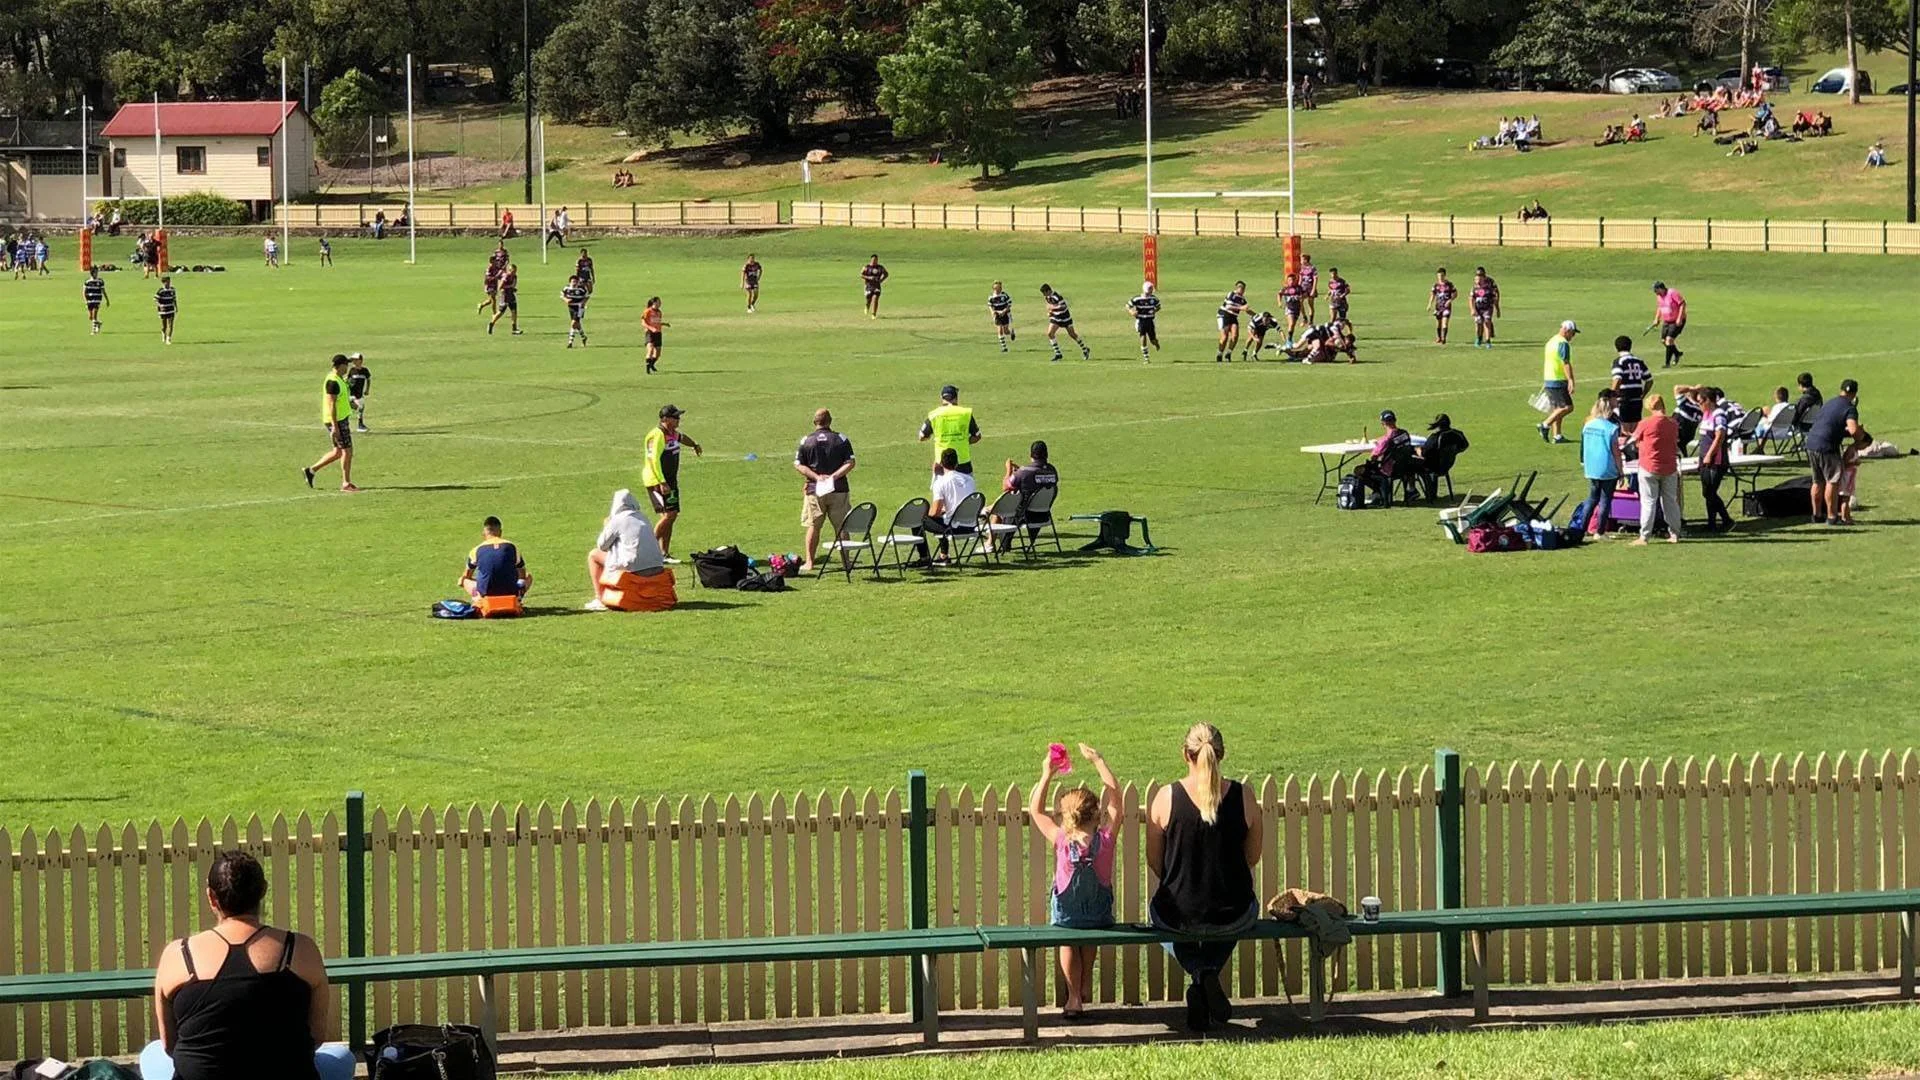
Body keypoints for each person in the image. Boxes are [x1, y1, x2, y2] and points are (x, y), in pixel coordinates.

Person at [141, 850, 354, 1080]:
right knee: (343, 1056)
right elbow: (315, 1037)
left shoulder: (178, 955)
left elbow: (169, 1045)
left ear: (212, 898)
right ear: (262, 891)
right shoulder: (300, 949)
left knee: (151, 1053)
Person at [1147, 722, 1262, 1033]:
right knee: (1250, 909)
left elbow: (1154, 861)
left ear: (1185, 753)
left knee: (1155, 913)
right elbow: (1252, 858)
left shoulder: (1165, 798)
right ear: (1222, 754)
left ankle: (1200, 973)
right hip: (1232, 912)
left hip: (1178, 914)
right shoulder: (1245, 797)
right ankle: (1207, 973)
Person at [1026, 742, 1121, 1018]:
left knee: (1068, 941)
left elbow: (1036, 811)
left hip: (1066, 917)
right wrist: (1098, 760)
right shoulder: (1105, 840)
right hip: (1099, 917)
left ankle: (1074, 996)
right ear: (1096, 815)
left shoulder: (1061, 840)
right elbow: (1118, 802)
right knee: (1088, 936)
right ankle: (1084, 983)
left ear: (1066, 818)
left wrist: (1047, 773)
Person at [585, 489, 669, 610]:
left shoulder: (617, 520)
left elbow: (602, 545)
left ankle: (600, 598)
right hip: (657, 566)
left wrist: (606, 526)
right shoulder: (643, 517)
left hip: (634, 568)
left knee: (593, 555)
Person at [794, 408, 855, 573]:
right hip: (839, 489)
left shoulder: (807, 440)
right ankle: (846, 562)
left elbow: (799, 464)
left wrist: (816, 476)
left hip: (815, 490)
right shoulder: (840, 439)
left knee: (813, 526)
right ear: (830, 421)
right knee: (842, 526)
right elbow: (850, 462)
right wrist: (833, 477)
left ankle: (810, 562)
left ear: (815, 422)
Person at [642, 404, 701, 560]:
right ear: (665, 419)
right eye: (675, 417)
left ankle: (664, 553)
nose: (678, 420)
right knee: (669, 515)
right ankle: (648, 550)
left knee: (670, 516)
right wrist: (661, 482)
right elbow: (653, 460)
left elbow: (682, 438)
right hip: (657, 481)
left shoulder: (672, 433)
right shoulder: (658, 435)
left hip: (669, 480)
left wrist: (694, 444)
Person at [1806, 379, 1865, 525]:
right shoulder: (1850, 407)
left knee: (1817, 481)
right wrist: (1860, 436)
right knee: (1832, 481)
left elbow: (1828, 423)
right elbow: (1853, 430)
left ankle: (1816, 514)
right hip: (1827, 446)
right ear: (1854, 393)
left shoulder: (1830, 402)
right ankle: (1832, 517)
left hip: (1812, 442)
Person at [1631, 395, 1683, 545]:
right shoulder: (1673, 423)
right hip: (1669, 466)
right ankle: (1675, 533)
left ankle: (1644, 536)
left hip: (1649, 466)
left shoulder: (1645, 423)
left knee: (1648, 502)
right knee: (1670, 501)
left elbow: (1633, 442)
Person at [303, 355, 357, 492]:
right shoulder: (333, 381)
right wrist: (335, 426)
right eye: (346, 365)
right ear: (340, 366)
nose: (348, 368)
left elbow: (340, 398)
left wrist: (350, 404)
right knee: (347, 451)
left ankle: (311, 471)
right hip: (337, 421)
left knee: (338, 452)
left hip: (340, 419)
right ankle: (346, 483)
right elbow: (331, 404)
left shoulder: (338, 379)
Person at [1574, 391, 1625, 535]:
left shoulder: (1588, 425)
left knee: (1591, 498)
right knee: (1605, 500)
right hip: (1607, 467)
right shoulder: (1611, 428)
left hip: (1592, 467)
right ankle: (1600, 532)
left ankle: (1580, 529)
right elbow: (1616, 452)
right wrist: (1621, 472)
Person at [917, 448, 978, 564]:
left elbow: (935, 512)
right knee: (943, 518)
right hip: (971, 524)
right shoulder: (970, 480)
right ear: (957, 463)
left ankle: (924, 557)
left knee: (919, 520)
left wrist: (925, 512)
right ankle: (943, 555)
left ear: (941, 464)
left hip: (955, 527)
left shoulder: (940, 483)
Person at [999, 440, 1059, 547]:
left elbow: (1006, 487)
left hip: (1025, 515)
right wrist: (1020, 471)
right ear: (1047, 454)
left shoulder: (1024, 472)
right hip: (1044, 514)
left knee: (1000, 508)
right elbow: (1038, 479)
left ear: (1031, 455)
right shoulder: (1052, 470)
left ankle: (998, 544)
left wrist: (1009, 470)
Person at [1692, 387, 1735, 532]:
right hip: (1704, 459)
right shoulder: (1706, 414)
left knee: (1710, 492)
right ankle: (1715, 522)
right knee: (1707, 492)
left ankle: (1722, 521)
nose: (1698, 405)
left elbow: (1720, 436)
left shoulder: (1719, 415)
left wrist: (1710, 454)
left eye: (1700, 402)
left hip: (1716, 460)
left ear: (1708, 401)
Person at [460, 516, 530, 602]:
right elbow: (522, 574)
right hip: (510, 591)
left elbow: (467, 575)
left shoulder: (476, 549)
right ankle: (517, 597)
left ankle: (479, 599)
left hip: (486, 593)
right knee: (528, 576)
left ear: (484, 533)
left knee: (464, 580)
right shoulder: (511, 546)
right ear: (500, 532)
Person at [1354, 409, 1414, 503]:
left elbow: (1373, 457)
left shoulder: (1386, 440)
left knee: (1359, 470)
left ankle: (1379, 492)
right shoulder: (1404, 433)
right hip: (1405, 467)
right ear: (1395, 420)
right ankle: (1379, 493)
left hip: (1389, 470)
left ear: (1383, 423)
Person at [919, 385, 980, 474]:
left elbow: (922, 436)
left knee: (940, 487)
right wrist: (963, 442)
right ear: (956, 397)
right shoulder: (965, 413)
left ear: (942, 398)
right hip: (962, 461)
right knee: (966, 487)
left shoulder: (934, 415)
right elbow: (977, 436)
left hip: (941, 462)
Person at [1538, 320, 1578, 444]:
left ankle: (1557, 435)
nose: (1573, 336)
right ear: (1567, 330)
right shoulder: (1563, 343)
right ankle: (1545, 425)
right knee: (1567, 407)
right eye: (1572, 333)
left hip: (1549, 377)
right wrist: (1571, 379)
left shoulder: (1552, 341)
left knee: (1557, 408)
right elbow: (1565, 362)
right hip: (1558, 379)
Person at [1416, 414, 1470, 498]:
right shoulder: (1457, 434)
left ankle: (1423, 492)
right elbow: (1465, 445)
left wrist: (1418, 450)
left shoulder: (1435, 438)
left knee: (1415, 465)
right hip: (1448, 464)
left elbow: (1424, 454)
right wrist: (1454, 452)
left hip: (1434, 466)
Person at [1038, 284, 1090, 362]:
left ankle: (1085, 349)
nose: (1044, 295)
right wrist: (1050, 312)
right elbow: (1049, 305)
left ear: (1048, 291)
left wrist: (1052, 308)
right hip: (1056, 317)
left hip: (1065, 317)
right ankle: (1058, 354)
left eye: (1044, 293)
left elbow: (1063, 307)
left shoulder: (1057, 297)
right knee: (1050, 333)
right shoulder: (1047, 297)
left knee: (1072, 334)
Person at [1608, 336, 1650, 432]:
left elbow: (1617, 379)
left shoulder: (1619, 361)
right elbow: (1649, 380)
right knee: (1635, 428)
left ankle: (1627, 446)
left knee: (1624, 429)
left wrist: (1612, 395)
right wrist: (1643, 394)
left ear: (1616, 347)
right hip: (1637, 399)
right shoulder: (1638, 361)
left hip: (1624, 399)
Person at [1651, 282, 1686, 367]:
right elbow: (1660, 307)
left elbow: (1682, 304)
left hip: (1676, 321)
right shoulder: (1659, 297)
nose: (1655, 292)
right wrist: (1657, 319)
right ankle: (1677, 353)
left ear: (1661, 288)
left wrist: (1679, 318)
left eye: (1656, 290)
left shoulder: (1672, 293)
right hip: (1667, 321)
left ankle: (1667, 363)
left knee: (1669, 340)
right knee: (1664, 341)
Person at [1215, 280, 1248, 362]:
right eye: (1240, 288)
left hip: (1233, 317)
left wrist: (1255, 315)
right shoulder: (1231, 294)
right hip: (1224, 315)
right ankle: (1219, 354)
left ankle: (1228, 354)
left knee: (1235, 335)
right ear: (1237, 288)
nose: (1242, 290)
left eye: (1243, 288)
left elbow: (1246, 309)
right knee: (1224, 336)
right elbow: (1228, 306)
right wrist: (1241, 308)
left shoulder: (1242, 299)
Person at [1127, 281, 1160, 362]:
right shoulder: (1137, 299)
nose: (1151, 290)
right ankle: (1146, 357)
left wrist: (1154, 310)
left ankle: (1156, 343)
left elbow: (1158, 306)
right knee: (1142, 335)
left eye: (1152, 288)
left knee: (1152, 340)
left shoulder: (1154, 299)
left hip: (1150, 321)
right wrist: (1132, 312)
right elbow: (1128, 306)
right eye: (1150, 288)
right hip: (1141, 320)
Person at [1468, 266, 1500, 348]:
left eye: (1480, 276)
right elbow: (1471, 299)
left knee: (1487, 322)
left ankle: (1488, 341)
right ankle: (1479, 338)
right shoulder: (1474, 288)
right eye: (1477, 276)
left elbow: (1495, 295)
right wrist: (1472, 309)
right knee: (1478, 323)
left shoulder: (1489, 285)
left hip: (1487, 307)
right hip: (1478, 308)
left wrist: (1497, 308)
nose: (1478, 279)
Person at [488, 264, 521, 336]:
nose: (514, 272)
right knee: (501, 312)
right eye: (513, 271)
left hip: (511, 295)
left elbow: (513, 285)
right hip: (505, 296)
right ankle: (491, 323)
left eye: (515, 271)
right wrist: (509, 287)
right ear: (509, 270)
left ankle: (514, 329)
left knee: (514, 311)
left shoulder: (515, 277)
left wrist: (513, 289)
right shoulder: (506, 276)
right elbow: (500, 287)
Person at [1428, 268, 1456, 345]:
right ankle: (1439, 337)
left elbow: (1455, 294)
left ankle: (1444, 338)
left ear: (1445, 275)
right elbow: (1432, 295)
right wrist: (1430, 304)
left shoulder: (1450, 285)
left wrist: (1450, 300)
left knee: (1445, 322)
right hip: (1438, 307)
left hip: (1446, 307)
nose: (1440, 277)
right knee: (1438, 323)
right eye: (1439, 276)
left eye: (1442, 275)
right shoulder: (1436, 285)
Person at [1276, 272, 1307, 343]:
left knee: (1292, 326)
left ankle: (1290, 338)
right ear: (1287, 281)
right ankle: (1289, 340)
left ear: (1295, 280)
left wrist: (1302, 297)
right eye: (1290, 280)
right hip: (1289, 309)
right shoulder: (1285, 289)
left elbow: (1305, 294)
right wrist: (1279, 302)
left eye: (1293, 280)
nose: (1291, 282)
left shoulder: (1299, 288)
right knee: (1291, 323)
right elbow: (1279, 294)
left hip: (1297, 309)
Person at [345, 354, 371, 433]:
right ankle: (346, 425)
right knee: (355, 408)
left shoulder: (365, 370)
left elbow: (368, 379)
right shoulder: (352, 370)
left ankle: (360, 425)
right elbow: (347, 380)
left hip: (360, 394)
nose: (354, 362)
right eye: (353, 360)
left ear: (361, 360)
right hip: (352, 394)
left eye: (356, 360)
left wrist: (367, 390)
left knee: (361, 408)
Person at [987, 280, 1015, 352]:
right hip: (997, 315)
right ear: (994, 288)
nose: (999, 290)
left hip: (1005, 314)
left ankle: (1011, 333)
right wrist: (993, 312)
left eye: (1000, 288)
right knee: (1000, 330)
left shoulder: (1004, 295)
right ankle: (1004, 347)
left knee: (1006, 331)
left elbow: (1009, 304)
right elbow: (990, 306)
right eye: (997, 288)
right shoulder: (991, 297)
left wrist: (1004, 311)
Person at [562, 275, 589, 347]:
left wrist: (583, 302)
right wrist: (566, 300)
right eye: (573, 282)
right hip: (571, 307)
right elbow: (562, 296)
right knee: (577, 324)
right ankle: (583, 337)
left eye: (576, 282)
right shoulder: (566, 288)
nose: (574, 283)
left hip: (579, 307)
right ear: (570, 282)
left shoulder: (581, 289)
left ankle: (570, 342)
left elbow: (586, 296)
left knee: (573, 323)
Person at [83, 267, 109, 335]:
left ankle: (94, 331)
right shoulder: (87, 282)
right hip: (90, 301)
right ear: (92, 273)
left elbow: (103, 291)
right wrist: (86, 301)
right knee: (91, 317)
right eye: (95, 272)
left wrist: (107, 300)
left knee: (94, 316)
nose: (97, 274)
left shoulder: (100, 282)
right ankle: (98, 323)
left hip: (97, 300)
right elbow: (84, 292)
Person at [155, 275, 178, 345]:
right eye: (167, 282)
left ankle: (169, 339)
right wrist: (160, 305)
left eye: (169, 282)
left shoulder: (172, 290)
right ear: (163, 282)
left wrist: (176, 307)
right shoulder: (160, 291)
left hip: (171, 309)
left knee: (171, 325)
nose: (168, 283)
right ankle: (163, 334)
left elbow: (174, 299)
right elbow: (156, 299)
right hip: (163, 310)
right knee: (164, 326)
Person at [1297, 253, 1320, 323]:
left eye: (1302, 259)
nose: (1300, 261)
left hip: (1310, 288)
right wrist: (1298, 287)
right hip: (1303, 288)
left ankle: (1311, 321)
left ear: (1306, 260)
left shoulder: (1312, 268)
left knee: (1310, 304)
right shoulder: (1302, 268)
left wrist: (1313, 289)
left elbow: (1315, 279)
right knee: (1299, 302)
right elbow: (1300, 278)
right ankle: (1304, 318)